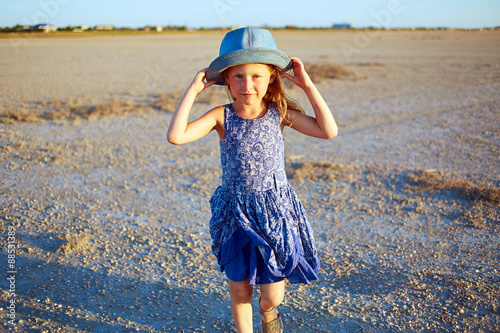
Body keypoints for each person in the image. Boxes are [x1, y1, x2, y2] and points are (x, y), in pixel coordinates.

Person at [167, 27, 338, 333]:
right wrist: (192, 91)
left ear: (272, 76)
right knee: (240, 289)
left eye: (256, 76)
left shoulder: (279, 113)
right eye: (238, 77)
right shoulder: (221, 116)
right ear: (227, 80)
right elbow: (176, 136)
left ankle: (268, 312)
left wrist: (308, 86)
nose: (248, 85)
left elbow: (328, 131)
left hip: (274, 210)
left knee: (272, 293)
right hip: (235, 211)